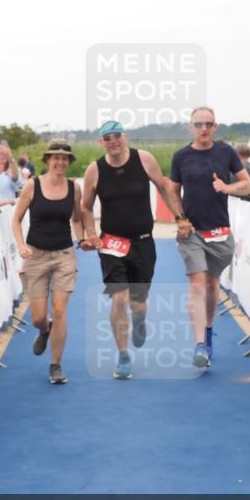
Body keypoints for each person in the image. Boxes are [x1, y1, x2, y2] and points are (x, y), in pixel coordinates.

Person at [81, 120, 188, 380]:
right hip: (111, 243)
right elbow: (85, 207)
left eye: (117, 136)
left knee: (137, 304)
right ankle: (123, 355)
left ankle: (139, 320)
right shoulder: (95, 169)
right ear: (101, 142)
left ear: (125, 137)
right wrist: (92, 234)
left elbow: (164, 188)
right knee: (119, 298)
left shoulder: (144, 159)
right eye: (107, 138)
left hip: (142, 242)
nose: (113, 141)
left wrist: (180, 217)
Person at [166, 107, 250, 369]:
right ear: (191, 127)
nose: (204, 128)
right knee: (197, 284)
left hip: (220, 233)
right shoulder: (181, 156)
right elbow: (172, 189)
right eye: (199, 124)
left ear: (215, 127)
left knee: (213, 285)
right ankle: (199, 345)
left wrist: (227, 188)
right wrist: (180, 218)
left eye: (209, 124)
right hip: (192, 232)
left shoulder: (225, 152)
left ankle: (209, 328)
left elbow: (247, 185)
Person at [11, 141, 86, 385]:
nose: (60, 162)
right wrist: (21, 245)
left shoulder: (74, 188)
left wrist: (82, 237)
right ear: (47, 160)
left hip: (64, 254)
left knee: (61, 310)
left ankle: (56, 365)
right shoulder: (32, 185)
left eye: (65, 159)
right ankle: (45, 330)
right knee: (38, 318)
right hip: (36, 255)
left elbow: (77, 218)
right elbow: (16, 219)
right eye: (56, 158)